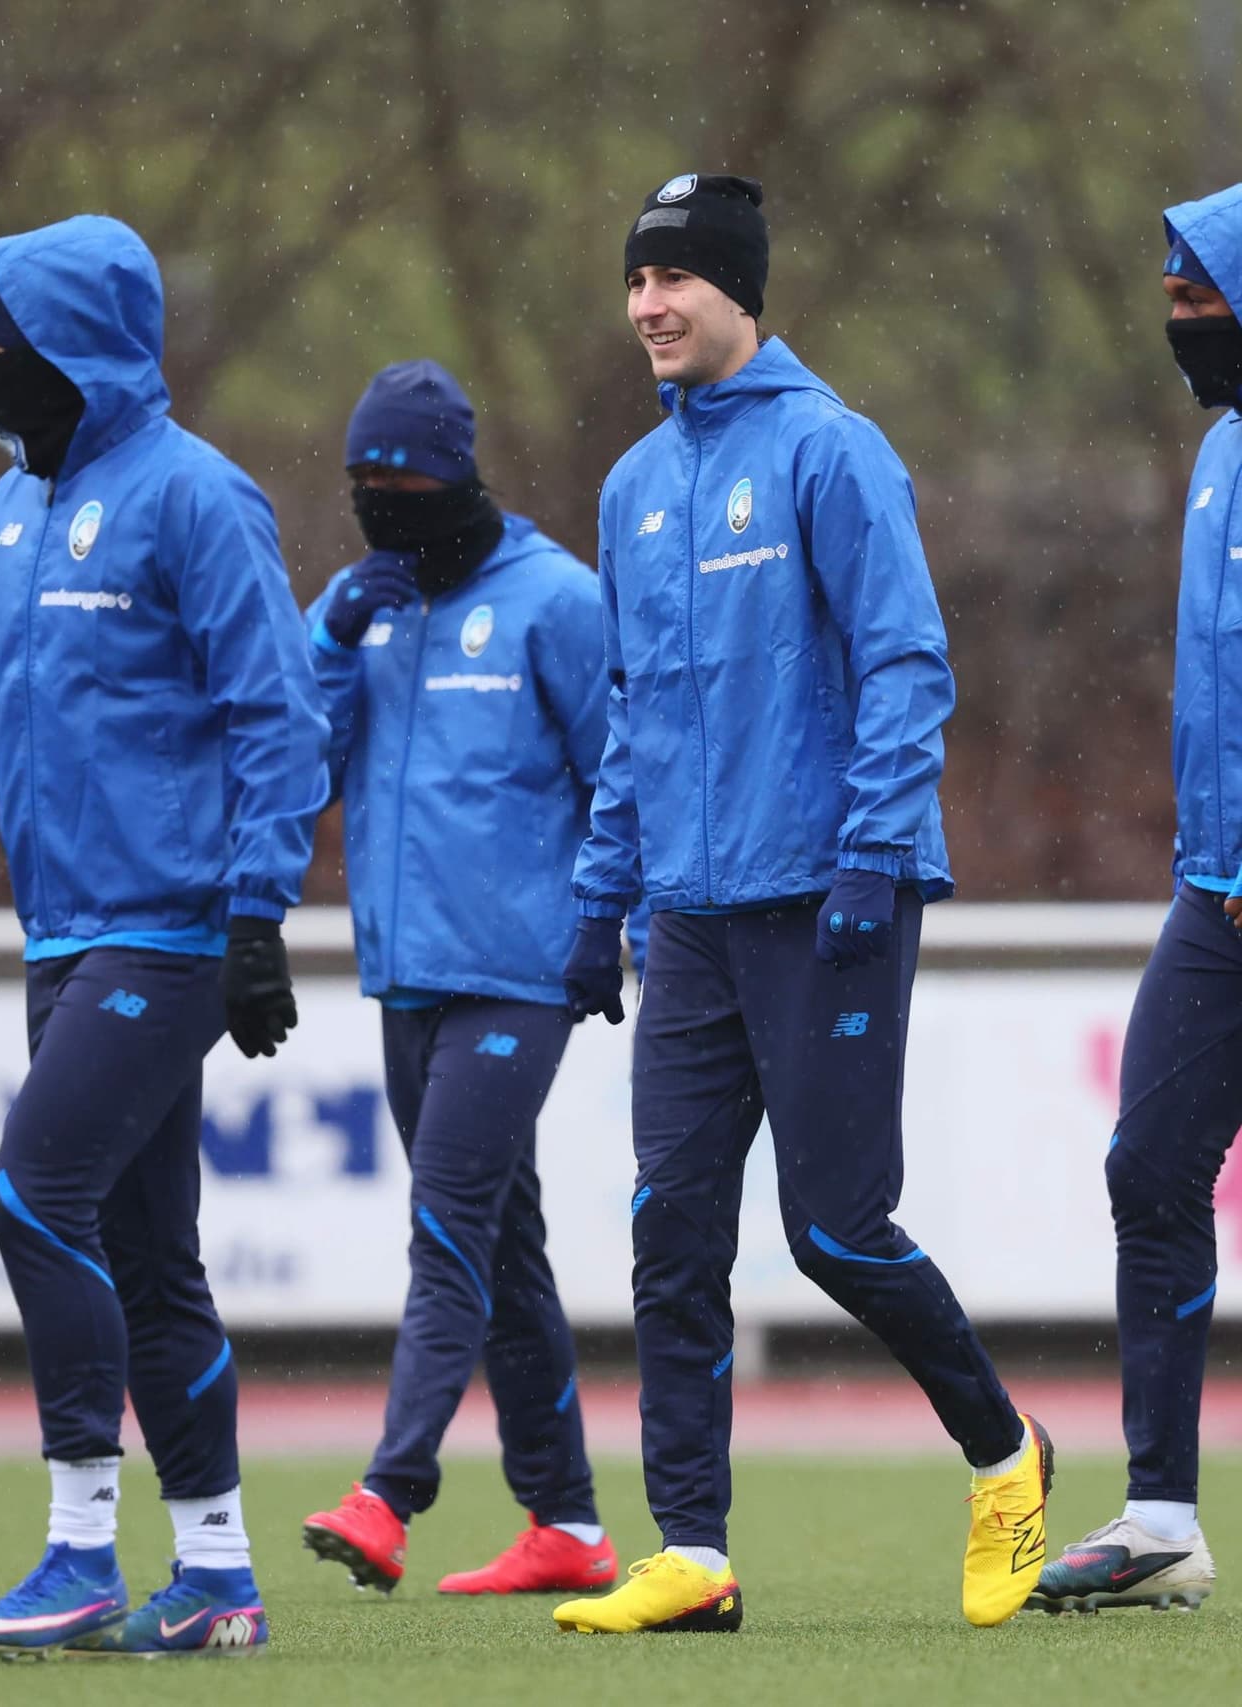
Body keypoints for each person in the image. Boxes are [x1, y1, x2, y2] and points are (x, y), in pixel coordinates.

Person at [553, 173, 1052, 1636]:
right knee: (672, 1225)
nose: (649, 305)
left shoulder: (833, 452)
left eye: (676, 280)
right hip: (687, 919)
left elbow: (906, 663)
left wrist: (871, 852)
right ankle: (693, 1550)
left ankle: (1005, 1447)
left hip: (831, 894)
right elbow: (634, 717)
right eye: (636, 281)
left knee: (836, 1228)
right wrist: (601, 900)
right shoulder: (633, 488)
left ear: (739, 292)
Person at [0, 215, 328, 1657]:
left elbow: (276, 709)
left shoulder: (195, 496)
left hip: (166, 931)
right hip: (64, 931)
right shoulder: (12, 512)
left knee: (32, 1197)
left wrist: (254, 910)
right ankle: (219, 1573)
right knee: (148, 1252)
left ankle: (76, 1548)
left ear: (72, 350)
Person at [299, 360, 622, 1599]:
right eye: (360, 479)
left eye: (401, 474)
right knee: (503, 1250)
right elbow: (297, 772)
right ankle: (569, 1526)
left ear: (456, 470)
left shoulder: (555, 602)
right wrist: (329, 645)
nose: (381, 498)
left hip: (516, 979)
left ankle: (392, 1492)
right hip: (405, 978)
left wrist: (602, 926)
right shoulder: (357, 606)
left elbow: (618, 773)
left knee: (445, 1230)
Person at [1028, 186, 1242, 1616]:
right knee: (1150, 1167)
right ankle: (1163, 1514)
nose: (1182, 324)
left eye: (1201, 298)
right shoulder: (1221, 450)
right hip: (1215, 895)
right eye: (1171, 300)